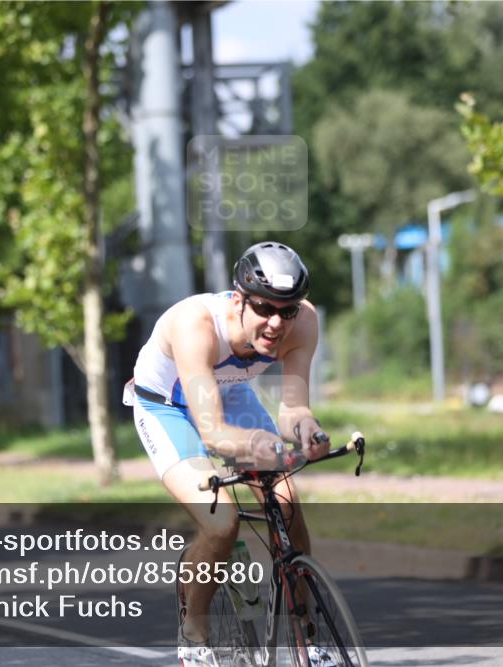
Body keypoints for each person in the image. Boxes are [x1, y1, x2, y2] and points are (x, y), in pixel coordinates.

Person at [124, 241, 331, 666]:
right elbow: (214, 433)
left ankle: (307, 637)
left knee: (287, 501)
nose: (276, 322)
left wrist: (308, 430)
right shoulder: (196, 324)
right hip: (167, 406)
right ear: (239, 301)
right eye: (265, 308)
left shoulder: (304, 323)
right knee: (221, 522)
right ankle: (194, 632)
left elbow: (293, 410)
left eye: (287, 310)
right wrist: (257, 444)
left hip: (230, 393)